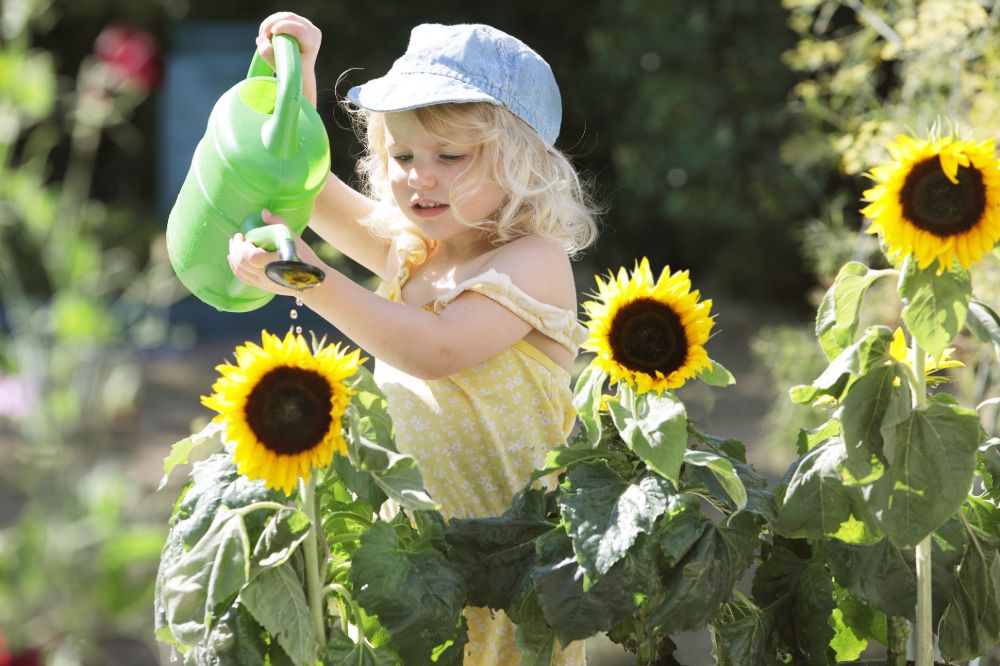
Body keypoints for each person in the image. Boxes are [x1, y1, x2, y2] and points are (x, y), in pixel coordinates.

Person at [228, 12, 599, 665]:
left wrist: (310, 281)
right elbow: (303, 180)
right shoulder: (417, 251)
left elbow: (436, 350)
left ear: (521, 163)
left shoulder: (531, 259)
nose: (419, 176)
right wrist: (297, 76)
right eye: (402, 156)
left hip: (507, 575)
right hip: (417, 566)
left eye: (449, 157)